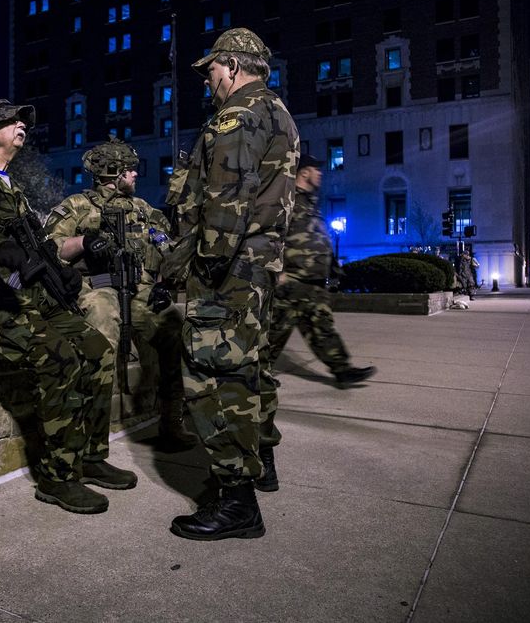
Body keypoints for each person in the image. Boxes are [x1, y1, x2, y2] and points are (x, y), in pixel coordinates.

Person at [0, 99, 135, 516]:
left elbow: (39, 244)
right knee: (59, 357)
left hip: (28, 296)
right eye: (11, 120)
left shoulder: (13, 186)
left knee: (98, 350)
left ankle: (90, 455)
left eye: (22, 119)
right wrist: (2, 249)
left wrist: (57, 267)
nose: (21, 124)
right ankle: (57, 477)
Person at [160, 27, 297, 541]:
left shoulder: (237, 116)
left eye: (213, 72)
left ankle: (236, 500)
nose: (209, 82)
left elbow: (226, 204)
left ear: (234, 66)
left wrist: (201, 272)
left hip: (228, 270)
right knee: (250, 369)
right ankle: (259, 466)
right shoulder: (279, 111)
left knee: (213, 381)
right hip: (258, 268)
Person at [43, 137, 198, 451]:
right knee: (103, 328)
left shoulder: (142, 210)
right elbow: (51, 248)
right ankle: (92, 445)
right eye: (129, 170)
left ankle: (171, 424)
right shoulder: (77, 206)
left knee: (174, 330)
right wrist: (85, 242)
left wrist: (164, 283)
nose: (135, 175)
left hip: (139, 290)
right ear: (113, 173)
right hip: (95, 286)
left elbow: (169, 248)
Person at [267, 154, 377, 396]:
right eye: (317, 170)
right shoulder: (286, 200)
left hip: (312, 282)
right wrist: (279, 272)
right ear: (304, 173)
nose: (321, 174)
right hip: (292, 281)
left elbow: (320, 240)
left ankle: (342, 370)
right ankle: (254, 377)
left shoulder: (309, 203)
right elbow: (269, 237)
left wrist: (333, 269)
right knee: (275, 331)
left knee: (322, 328)